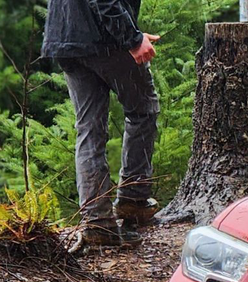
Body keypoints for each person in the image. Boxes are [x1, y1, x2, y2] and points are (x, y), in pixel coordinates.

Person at [42, 0, 161, 246]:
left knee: (89, 129)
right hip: (104, 40)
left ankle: (98, 224)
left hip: (67, 41)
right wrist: (133, 39)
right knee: (143, 111)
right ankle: (133, 201)